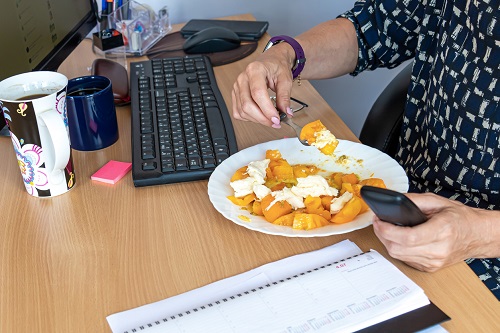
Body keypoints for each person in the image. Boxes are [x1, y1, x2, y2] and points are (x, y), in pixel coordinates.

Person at [231, 0, 500, 299]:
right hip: (398, 207)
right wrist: (285, 55)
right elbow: (375, 27)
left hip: (485, 251)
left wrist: (479, 235)